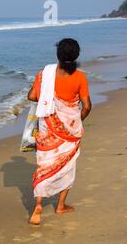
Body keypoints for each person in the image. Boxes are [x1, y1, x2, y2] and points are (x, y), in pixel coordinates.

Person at [27, 38, 92, 225]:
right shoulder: (80, 77)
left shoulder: (45, 74)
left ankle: (38, 206)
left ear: (58, 55)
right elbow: (86, 106)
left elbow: (32, 96)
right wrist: (76, 122)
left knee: (45, 164)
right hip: (70, 129)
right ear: (77, 56)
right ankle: (60, 206)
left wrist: (47, 95)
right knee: (67, 165)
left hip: (47, 129)